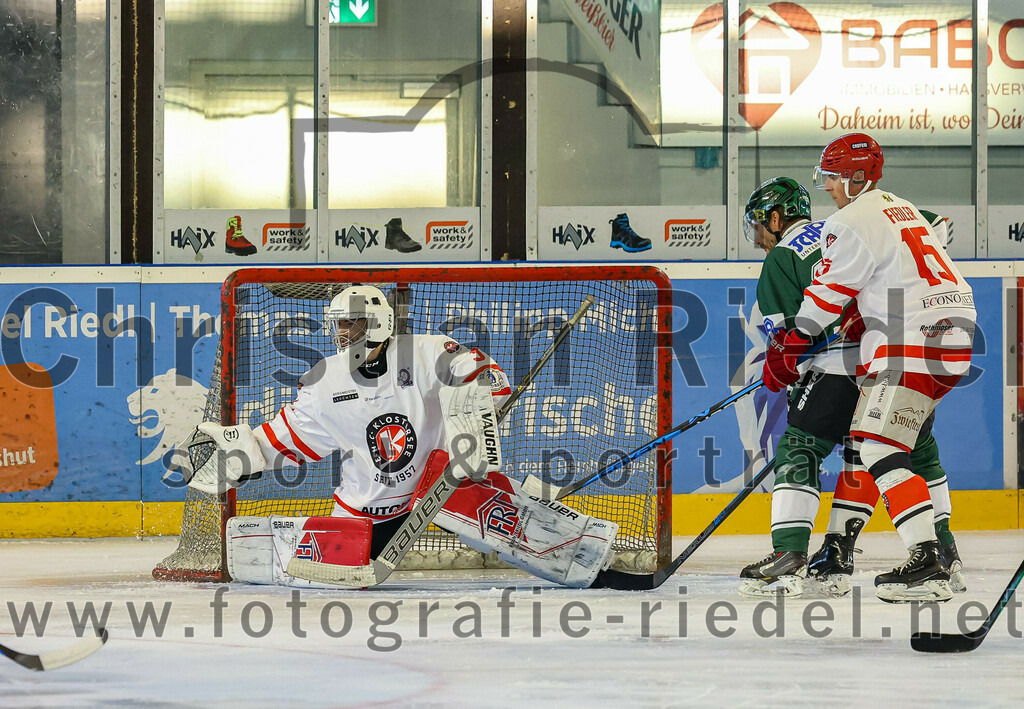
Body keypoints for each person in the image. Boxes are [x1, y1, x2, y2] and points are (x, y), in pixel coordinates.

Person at [181, 285, 618, 588]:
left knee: (474, 499)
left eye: (352, 323)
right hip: (365, 514)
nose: (343, 333)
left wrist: (468, 413)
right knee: (292, 553)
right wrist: (241, 455)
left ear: (377, 322)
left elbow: (486, 377)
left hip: (440, 490)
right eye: (338, 324)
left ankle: (575, 548)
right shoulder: (325, 381)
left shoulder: (425, 352)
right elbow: (286, 438)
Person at [761, 133, 975, 603]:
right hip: (954, 331)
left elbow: (821, 304)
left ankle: (928, 561)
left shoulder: (848, 221)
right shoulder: (902, 206)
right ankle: (914, 553)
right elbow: (923, 246)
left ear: (857, 177)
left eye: (834, 179)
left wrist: (790, 344)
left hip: (910, 337)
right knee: (880, 442)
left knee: (877, 446)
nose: (829, 189)